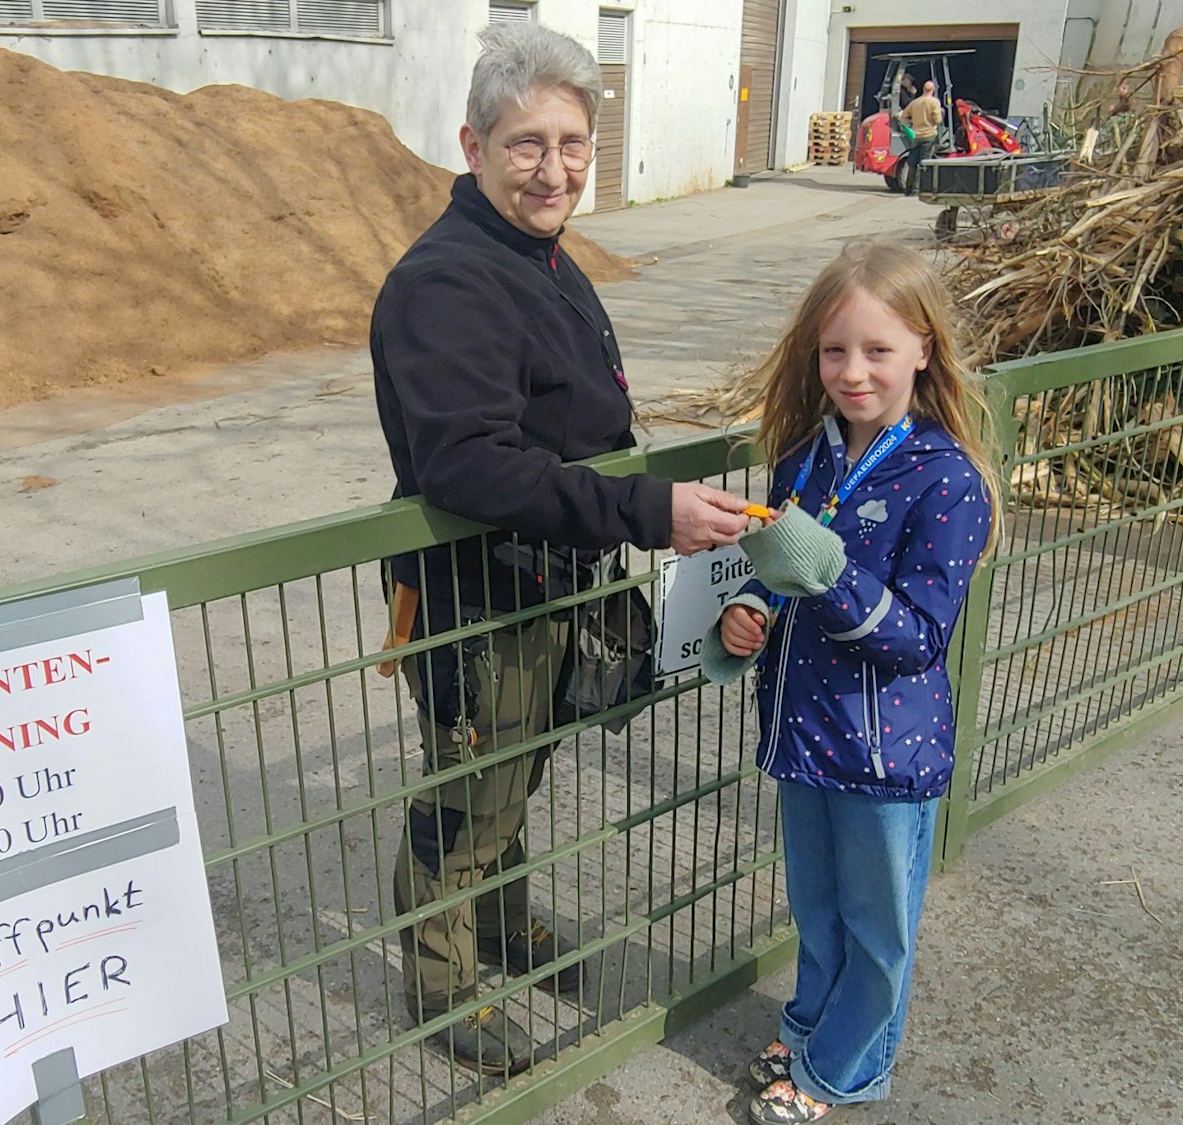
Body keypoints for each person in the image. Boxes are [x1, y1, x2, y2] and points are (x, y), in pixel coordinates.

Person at [370, 23, 753, 1076]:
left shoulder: (539, 257)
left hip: (547, 580)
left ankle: (501, 927)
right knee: (468, 785)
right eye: (526, 142)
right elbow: (471, 468)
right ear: (473, 145)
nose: (554, 168)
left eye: (572, 142)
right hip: (473, 594)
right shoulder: (447, 283)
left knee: (518, 768)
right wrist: (645, 514)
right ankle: (442, 980)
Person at [698, 241, 999, 1123]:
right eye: (835, 350)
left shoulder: (945, 480)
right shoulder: (805, 460)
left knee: (878, 929)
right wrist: (751, 605)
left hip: (883, 752)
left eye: (876, 349)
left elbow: (915, 639)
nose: (853, 371)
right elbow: (781, 570)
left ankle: (843, 1070)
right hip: (802, 733)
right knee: (819, 908)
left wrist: (824, 572)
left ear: (923, 349)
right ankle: (809, 1025)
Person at [900, 80, 943, 191]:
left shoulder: (915, 102)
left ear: (923, 89)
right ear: (933, 90)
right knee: (924, 163)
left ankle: (908, 188)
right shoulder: (934, 102)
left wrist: (910, 125)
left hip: (916, 136)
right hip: (929, 136)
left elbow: (903, 116)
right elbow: (938, 119)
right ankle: (921, 188)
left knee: (912, 163)